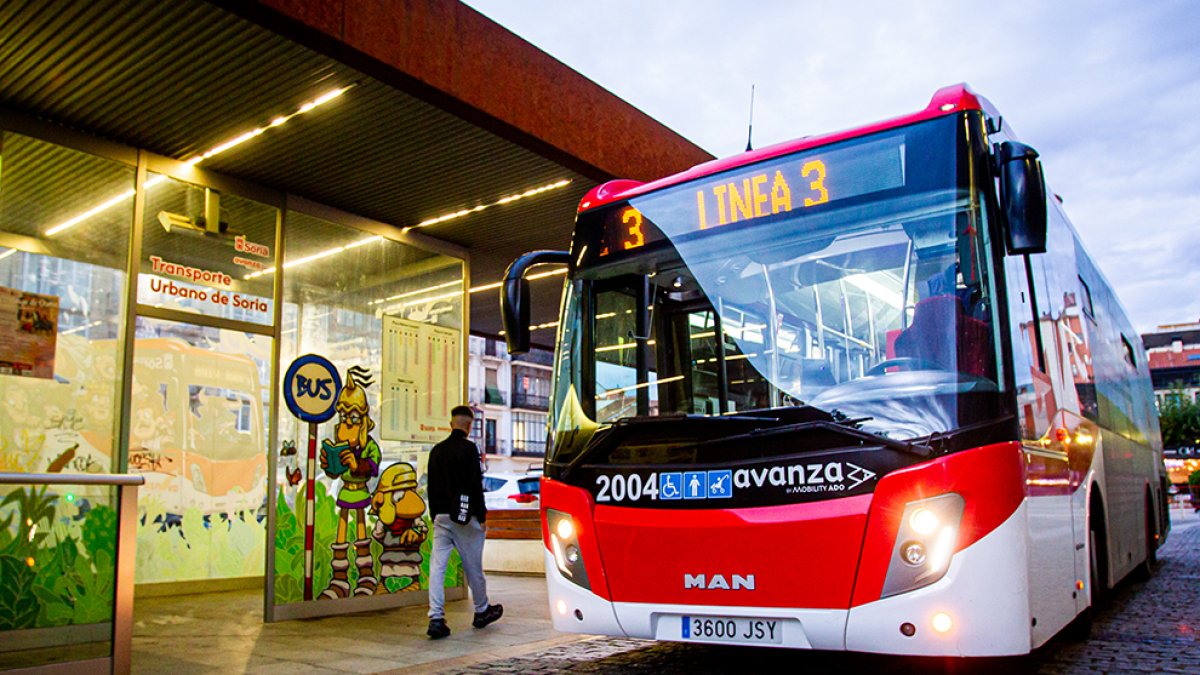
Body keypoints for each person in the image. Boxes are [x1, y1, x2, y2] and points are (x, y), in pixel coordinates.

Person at [425, 405, 502, 639]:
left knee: (437, 567)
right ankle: (482, 610)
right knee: (473, 566)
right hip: (465, 517)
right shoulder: (470, 450)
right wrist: (481, 516)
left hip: (441, 516)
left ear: (451, 424)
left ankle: (436, 618)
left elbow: (431, 486)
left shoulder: (437, 450)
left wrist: (435, 514)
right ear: (469, 426)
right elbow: (474, 485)